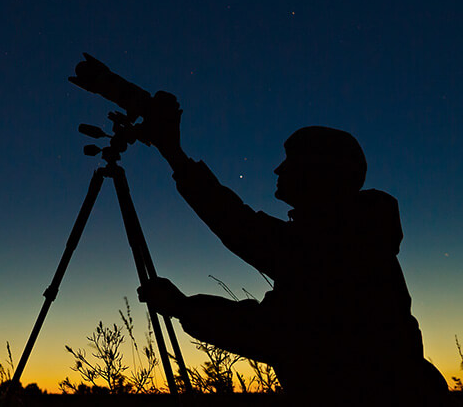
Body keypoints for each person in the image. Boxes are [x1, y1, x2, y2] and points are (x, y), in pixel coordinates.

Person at [135, 92, 449, 406]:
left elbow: (274, 331)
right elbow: (239, 226)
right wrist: (173, 154)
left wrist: (182, 307)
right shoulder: (344, 234)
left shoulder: (337, 247)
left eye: (290, 162)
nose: (278, 170)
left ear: (318, 174)